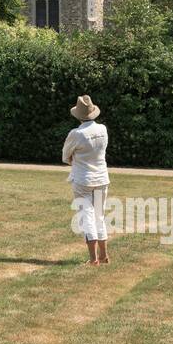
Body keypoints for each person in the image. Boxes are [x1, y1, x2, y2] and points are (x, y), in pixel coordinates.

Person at [62, 95, 110, 266]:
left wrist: (76, 160)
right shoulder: (102, 129)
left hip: (83, 180)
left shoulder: (76, 134)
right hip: (102, 177)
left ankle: (93, 259)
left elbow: (65, 156)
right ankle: (104, 255)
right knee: (100, 216)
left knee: (87, 217)